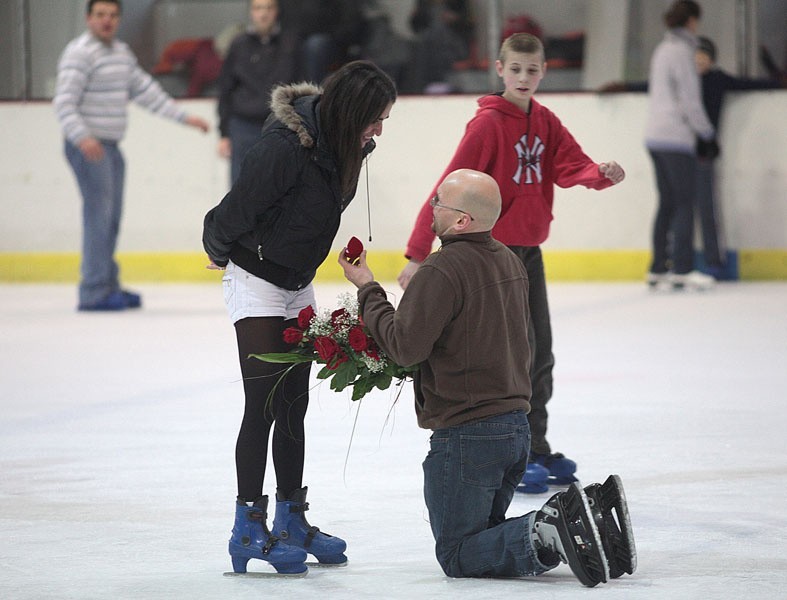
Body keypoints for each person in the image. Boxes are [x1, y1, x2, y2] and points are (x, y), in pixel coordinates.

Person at [338, 168, 636, 587]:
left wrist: (367, 287)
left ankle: (548, 527)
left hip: (469, 435)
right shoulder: (510, 261)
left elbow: (405, 347)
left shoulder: (442, 270)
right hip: (515, 428)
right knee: (483, 538)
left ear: (462, 220)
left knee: (458, 552)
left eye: (439, 202)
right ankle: (578, 524)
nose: (432, 207)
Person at [397, 33, 626, 493]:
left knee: (539, 352)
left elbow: (568, 165)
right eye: (516, 69)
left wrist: (598, 175)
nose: (524, 77)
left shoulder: (545, 120)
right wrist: (417, 252)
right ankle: (515, 453)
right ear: (500, 70)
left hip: (528, 254)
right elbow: (448, 187)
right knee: (508, 356)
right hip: (489, 256)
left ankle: (535, 444)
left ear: (543, 71)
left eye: (533, 69)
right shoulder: (486, 127)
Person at [202, 60, 397, 575]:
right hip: (255, 279)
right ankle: (247, 527)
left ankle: (291, 517)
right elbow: (236, 208)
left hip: (297, 281)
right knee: (263, 401)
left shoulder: (346, 146)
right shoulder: (286, 147)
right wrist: (218, 249)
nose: (379, 130)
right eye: (374, 119)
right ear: (351, 112)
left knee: (294, 403)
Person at [54, 0, 209, 312]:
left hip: (110, 146)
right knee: (99, 218)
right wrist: (83, 137)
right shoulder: (79, 53)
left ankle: (107, 284)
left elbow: (145, 91)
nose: (107, 21)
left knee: (110, 218)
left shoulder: (120, 54)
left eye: (112, 15)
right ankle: (93, 291)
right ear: (88, 18)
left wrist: (183, 117)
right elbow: (64, 102)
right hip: (89, 146)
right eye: (100, 15)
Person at [644, 0, 716, 291]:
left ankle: (658, 267)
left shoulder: (662, 50)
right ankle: (683, 268)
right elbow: (690, 100)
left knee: (667, 203)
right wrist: (707, 133)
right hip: (675, 138)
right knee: (685, 202)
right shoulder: (684, 52)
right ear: (691, 22)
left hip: (654, 136)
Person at [217, 0, 299, 184]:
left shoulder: (290, 44)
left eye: (268, 8)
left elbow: (300, 88)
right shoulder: (238, 45)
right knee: (241, 190)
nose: (263, 14)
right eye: (258, 8)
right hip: (243, 126)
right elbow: (226, 89)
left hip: (279, 126)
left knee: (280, 187)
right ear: (251, 12)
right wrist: (224, 133)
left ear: (276, 11)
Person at [278, 0, 364, 84]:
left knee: (315, 45)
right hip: (295, 39)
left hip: (332, 42)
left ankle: (313, 94)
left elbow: (351, 19)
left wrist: (336, 35)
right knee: (285, 44)